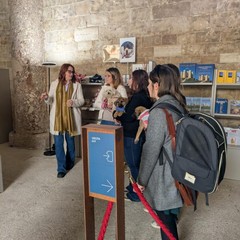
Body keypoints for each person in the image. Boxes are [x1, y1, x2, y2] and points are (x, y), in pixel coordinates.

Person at [137, 65, 187, 239]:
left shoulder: (159, 112)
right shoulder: (178, 104)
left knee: (165, 221)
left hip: (164, 174)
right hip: (176, 167)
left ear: (157, 85)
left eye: (150, 83)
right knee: (167, 217)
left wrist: (141, 180)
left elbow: (151, 150)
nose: (148, 87)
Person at [114, 69, 153, 202]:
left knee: (133, 165)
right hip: (138, 134)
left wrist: (118, 115)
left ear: (136, 81)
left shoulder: (137, 97)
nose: (129, 81)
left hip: (131, 135)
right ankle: (132, 188)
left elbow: (128, 117)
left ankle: (136, 194)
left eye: (131, 78)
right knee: (136, 163)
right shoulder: (145, 95)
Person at [40, 63, 84, 178]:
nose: (71, 73)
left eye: (72, 72)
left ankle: (70, 162)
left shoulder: (77, 85)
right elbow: (50, 100)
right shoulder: (54, 84)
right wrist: (46, 98)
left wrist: (73, 102)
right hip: (57, 119)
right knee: (59, 145)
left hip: (71, 119)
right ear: (63, 72)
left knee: (70, 143)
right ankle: (61, 169)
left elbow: (82, 101)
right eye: (69, 71)